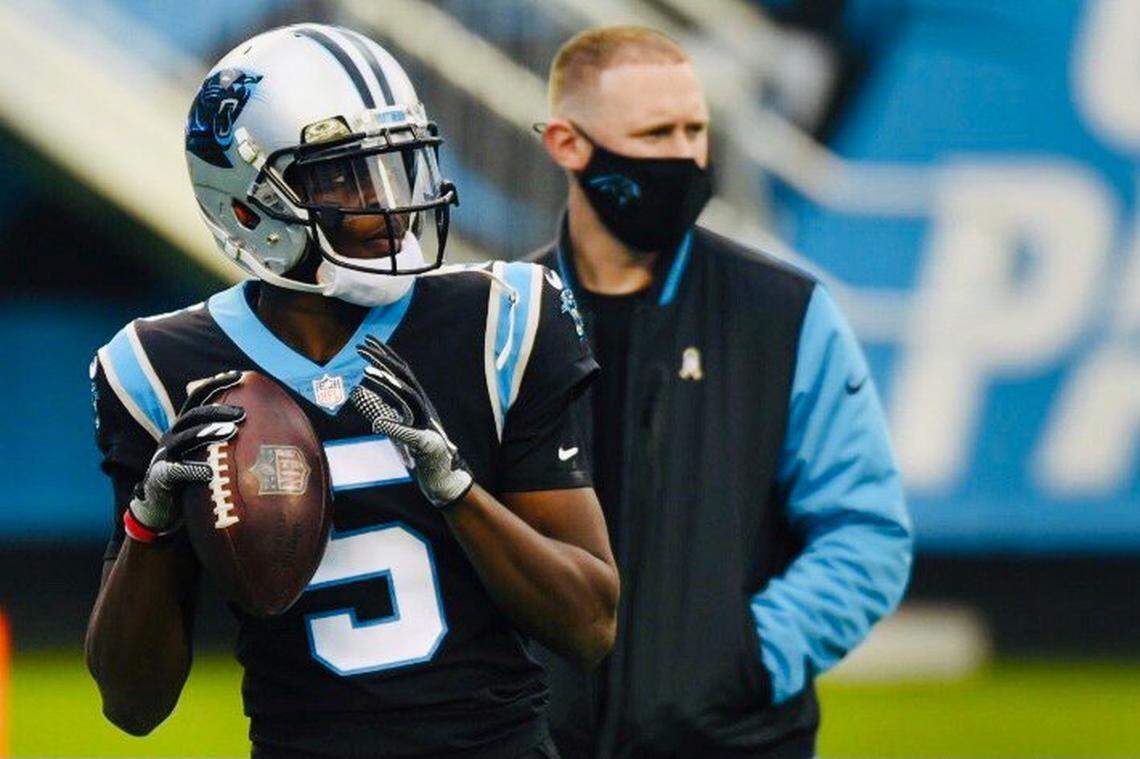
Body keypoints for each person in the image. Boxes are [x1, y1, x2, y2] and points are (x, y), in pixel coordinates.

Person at [84, 24, 618, 758]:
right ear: (246, 208)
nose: (386, 205)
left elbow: (591, 624)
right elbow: (132, 703)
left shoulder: (498, 320)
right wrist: (150, 522)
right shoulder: (158, 367)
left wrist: (455, 489)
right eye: (345, 178)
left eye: (399, 168)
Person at [530, 26, 913, 758]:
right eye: (654, 132)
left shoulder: (785, 313)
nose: (685, 155)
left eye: (695, 130)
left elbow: (868, 534)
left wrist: (747, 655)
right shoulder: (499, 319)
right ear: (566, 143)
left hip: (732, 739)